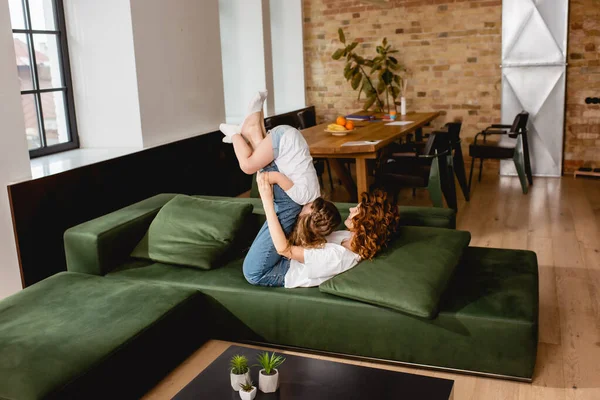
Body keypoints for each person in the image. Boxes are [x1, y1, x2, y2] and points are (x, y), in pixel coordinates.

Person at [219, 91, 341, 286]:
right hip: (283, 141)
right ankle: (235, 134)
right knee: (248, 165)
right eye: (302, 218)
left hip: (288, 138)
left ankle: (254, 121)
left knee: (258, 145)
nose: (298, 217)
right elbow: (276, 176)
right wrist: (264, 179)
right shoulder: (301, 197)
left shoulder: (313, 194)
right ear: (310, 209)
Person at [257, 172, 400, 288]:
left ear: (365, 223)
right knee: (294, 198)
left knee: (286, 204)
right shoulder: (349, 237)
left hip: (272, 271)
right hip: (287, 259)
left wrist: (266, 201)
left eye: (356, 209)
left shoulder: (337, 257)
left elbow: (284, 250)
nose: (350, 209)